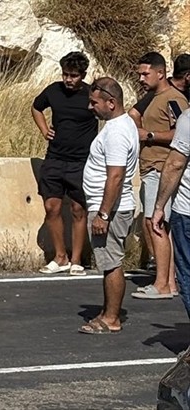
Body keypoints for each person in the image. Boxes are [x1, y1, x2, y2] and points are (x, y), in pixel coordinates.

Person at [79, 77, 139, 334]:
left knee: (111, 263)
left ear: (111, 103)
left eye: (95, 103)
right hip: (110, 207)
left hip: (111, 209)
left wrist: (103, 214)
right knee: (108, 262)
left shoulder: (116, 132)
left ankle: (112, 318)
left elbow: (115, 175)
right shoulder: (122, 125)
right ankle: (108, 312)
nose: (91, 107)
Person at [31, 51, 97, 275]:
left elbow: (109, 113)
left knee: (79, 209)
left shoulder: (91, 94)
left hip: (81, 161)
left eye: (74, 75)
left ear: (83, 75)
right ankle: (60, 258)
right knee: (52, 207)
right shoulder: (53, 90)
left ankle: (77, 259)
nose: (69, 79)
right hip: (55, 158)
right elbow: (36, 107)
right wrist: (43, 129)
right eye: (65, 74)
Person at [129, 52, 187, 300]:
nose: (141, 78)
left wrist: (149, 135)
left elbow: (180, 134)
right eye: (140, 74)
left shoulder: (173, 98)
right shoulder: (153, 97)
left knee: (157, 223)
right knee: (159, 225)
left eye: (146, 73)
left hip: (161, 168)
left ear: (160, 73)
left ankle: (163, 283)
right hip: (151, 168)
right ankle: (169, 282)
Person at [153, 102, 190, 320]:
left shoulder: (187, 119)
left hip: (187, 212)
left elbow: (175, 164)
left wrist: (159, 206)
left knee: (187, 274)